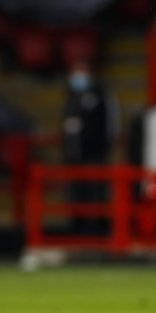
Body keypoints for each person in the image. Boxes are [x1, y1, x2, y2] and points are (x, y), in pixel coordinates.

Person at [61, 58, 119, 234]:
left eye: (81, 72)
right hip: (74, 155)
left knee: (95, 193)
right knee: (77, 194)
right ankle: (78, 229)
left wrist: (103, 146)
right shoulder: (71, 96)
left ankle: (97, 230)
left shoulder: (100, 95)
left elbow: (111, 124)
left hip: (95, 153)